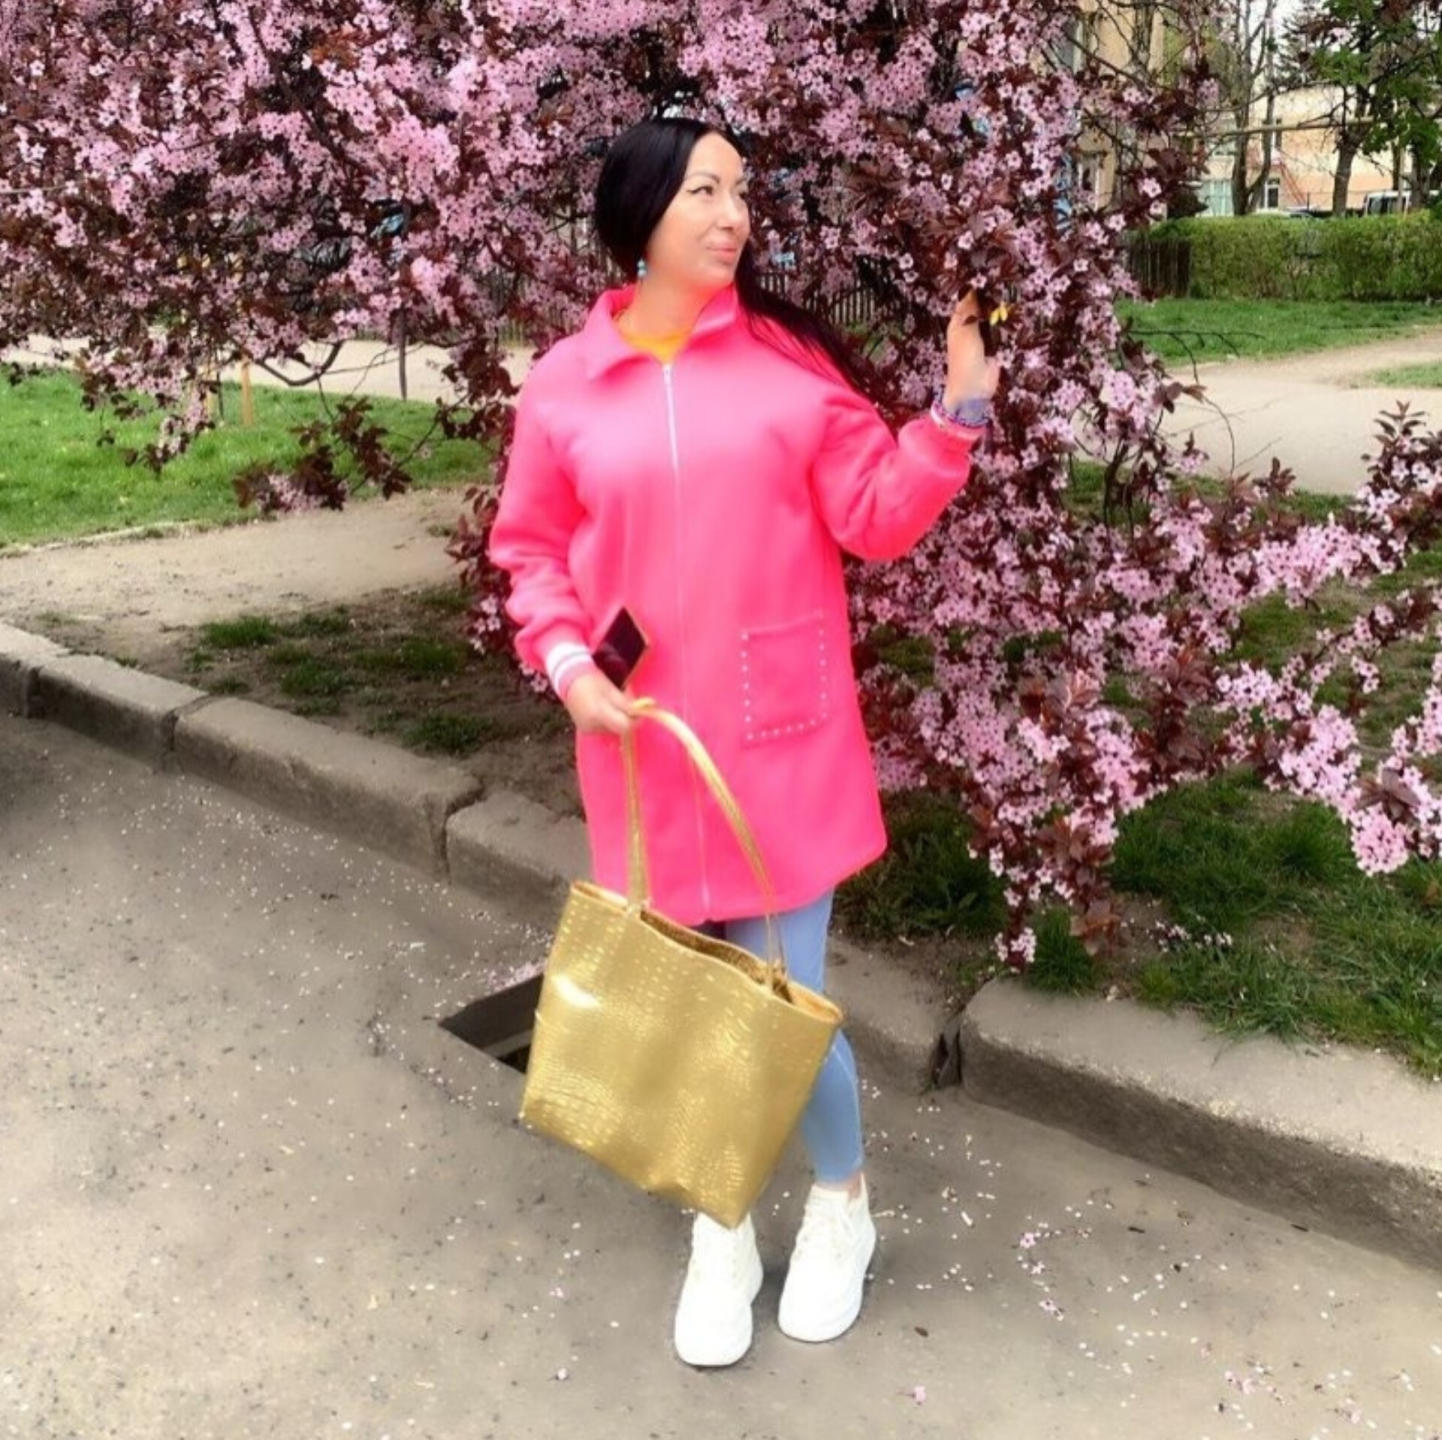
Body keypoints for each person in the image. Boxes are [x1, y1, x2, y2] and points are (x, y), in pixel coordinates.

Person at [488, 116, 1001, 1368]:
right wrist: (567, 665)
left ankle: (840, 1202)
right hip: (640, 744)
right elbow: (531, 550)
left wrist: (954, 415)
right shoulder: (564, 385)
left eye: (740, 192)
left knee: (782, 1001)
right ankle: (719, 1222)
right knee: (682, 1003)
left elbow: (873, 514)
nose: (733, 215)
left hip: (776, 738)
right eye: (705, 191)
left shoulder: (786, 364)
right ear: (641, 214)